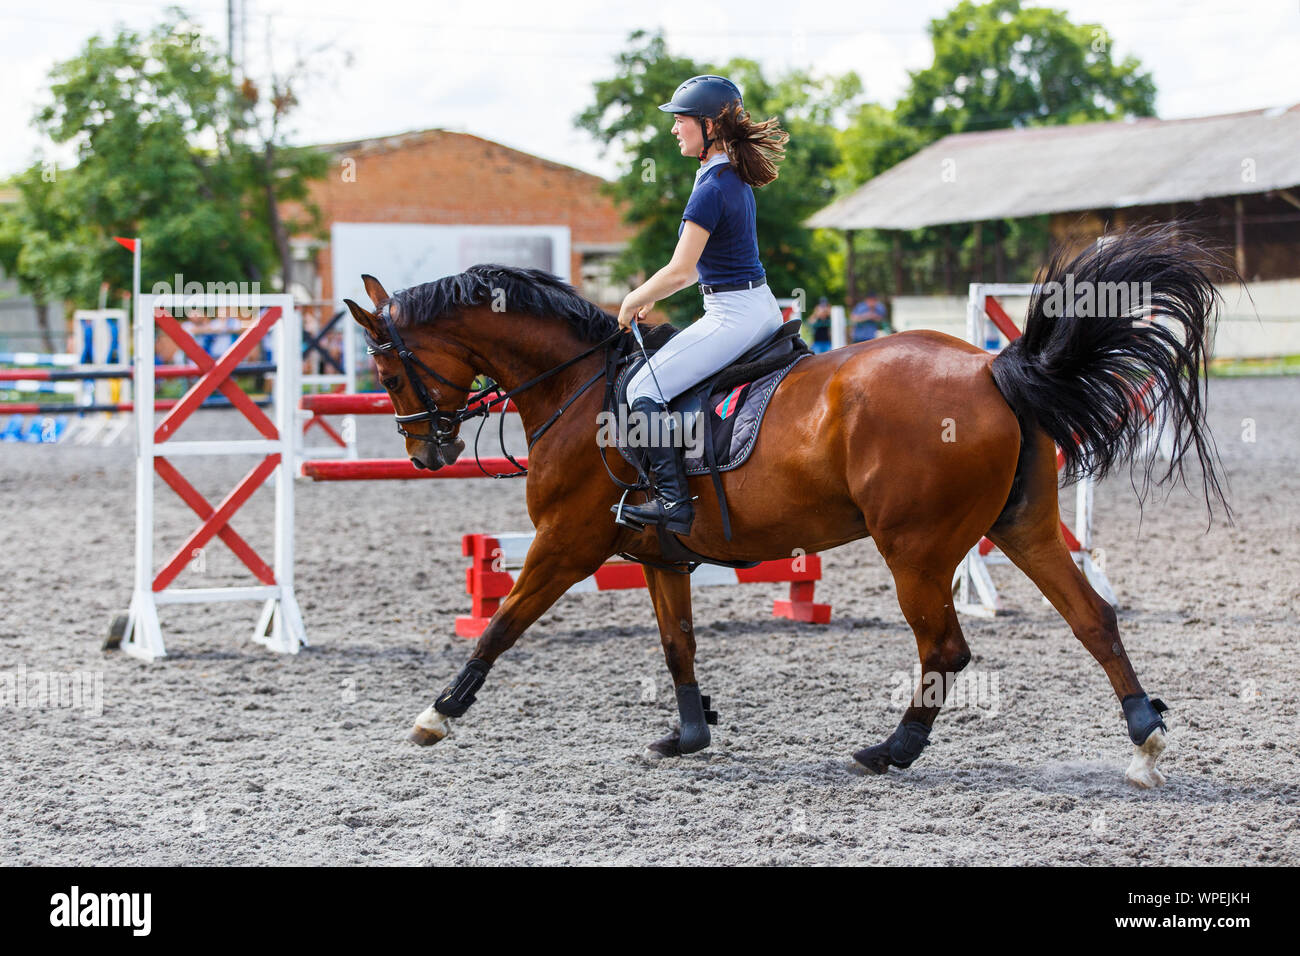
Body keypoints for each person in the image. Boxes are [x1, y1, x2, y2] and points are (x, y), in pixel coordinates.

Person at [611, 75, 790, 536]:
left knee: (640, 391)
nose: (674, 128)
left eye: (681, 119)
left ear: (709, 125)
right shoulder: (729, 177)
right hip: (755, 307)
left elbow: (680, 270)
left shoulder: (712, 187)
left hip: (733, 316)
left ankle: (674, 503)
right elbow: (692, 272)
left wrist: (635, 298)